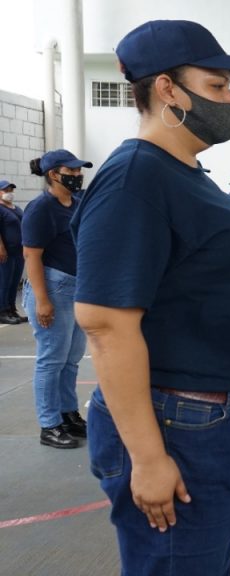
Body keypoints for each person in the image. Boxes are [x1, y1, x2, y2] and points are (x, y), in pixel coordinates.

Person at [71, 20, 230, 574]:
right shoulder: (134, 180)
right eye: (217, 86)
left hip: (221, 421)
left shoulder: (185, 171)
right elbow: (105, 325)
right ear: (167, 88)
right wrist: (147, 459)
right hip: (184, 425)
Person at [22, 150, 92, 448]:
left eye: (79, 171)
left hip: (76, 287)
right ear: (53, 174)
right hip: (53, 288)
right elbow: (31, 256)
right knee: (52, 360)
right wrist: (42, 300)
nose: (77, 176)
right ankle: (49, 424)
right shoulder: (41, 208)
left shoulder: (75, 203)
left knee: (71, 359)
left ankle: (68, 414)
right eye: (71, 171)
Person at [0, 179, 27, 324]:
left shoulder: (16, 208)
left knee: (14, 281)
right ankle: (2, 311)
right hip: (6, 252)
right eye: (6, 190)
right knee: (4, 281)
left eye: (11, 190)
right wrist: (1, 248)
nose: (9, 193)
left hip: (19, 251)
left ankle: (11, 309)